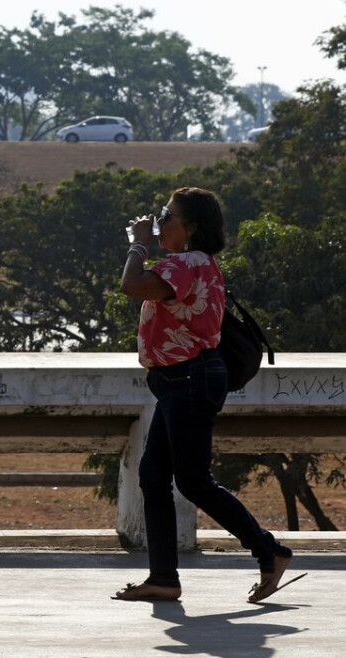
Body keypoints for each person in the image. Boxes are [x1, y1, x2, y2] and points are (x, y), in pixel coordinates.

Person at [113, 186, 296, 604]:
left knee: (193, 480)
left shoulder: (186, 263)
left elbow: (131, 285)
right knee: (153, 476)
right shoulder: (195, 263)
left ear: (191, 227)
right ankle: (162, 578)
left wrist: (139, 243)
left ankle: (269, 550)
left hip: (189, 380)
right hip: (181, 380)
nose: (161, 221)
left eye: (168, 215)